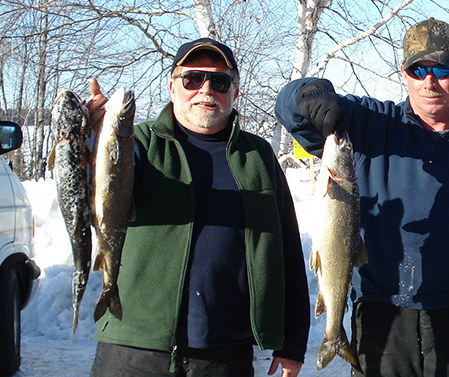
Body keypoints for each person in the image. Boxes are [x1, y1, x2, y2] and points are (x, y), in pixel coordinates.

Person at [275, 18, 449, 376]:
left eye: (442, 68)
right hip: (380, 322)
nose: (429, 80)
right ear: (403, 73)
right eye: (418, 68)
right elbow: (291, 112)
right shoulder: (367, 125)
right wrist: (307, 93)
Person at [83, 38, 310, 377]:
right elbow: (98, 193)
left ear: (234, 92)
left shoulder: (257, 157)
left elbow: (286, 250)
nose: (206, 90)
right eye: (192, 79)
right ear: (173, 87)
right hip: (132, 350)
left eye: (219, 82)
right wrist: (93, 136)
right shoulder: (138, 143)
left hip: (224, 355)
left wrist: (292, 342)